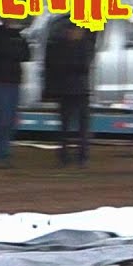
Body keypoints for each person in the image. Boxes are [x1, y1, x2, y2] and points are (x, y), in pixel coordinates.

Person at [43, 17, 97, 168]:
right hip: (72, 91)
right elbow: (80, 66)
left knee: (78, 127)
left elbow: (79, 66)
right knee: (69, 127)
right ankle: (69, 156)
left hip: (76, 90)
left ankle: (79, 156)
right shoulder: (78, 47)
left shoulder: (80, 47)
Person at [0, 17, 31, 168]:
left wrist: (13, 47)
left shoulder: (18, 35)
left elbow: (26, 55)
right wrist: (14, 47)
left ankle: (3, 152)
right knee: (2, 119)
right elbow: (0, 51)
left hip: (13, 82)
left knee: (10, 121)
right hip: (0, 81)